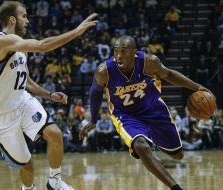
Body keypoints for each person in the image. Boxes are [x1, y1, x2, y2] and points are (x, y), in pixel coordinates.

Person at [0, 1, 97, 190]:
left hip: (21, 101)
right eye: (24, 16)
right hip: (0, 115)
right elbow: (43, 46)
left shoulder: (19, 49)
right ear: (12, 19)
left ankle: (55, 182)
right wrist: (76, 32)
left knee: (54, 134)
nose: (27, 20)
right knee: (27, 165)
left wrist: (49, 94)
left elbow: (26, 81)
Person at [79, 35, 214, 190]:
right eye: (116, 51)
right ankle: (175, 187)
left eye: (124, 51)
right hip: (126, 115)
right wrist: (93, 120)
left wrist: (197, 87)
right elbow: (94, 93)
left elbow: (168, 74)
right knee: (141, 147)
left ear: (134, 52)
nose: (118, 56)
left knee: (177, 154)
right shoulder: (104, 71)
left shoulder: (149, 62)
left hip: (154, 109)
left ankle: (154, 144)